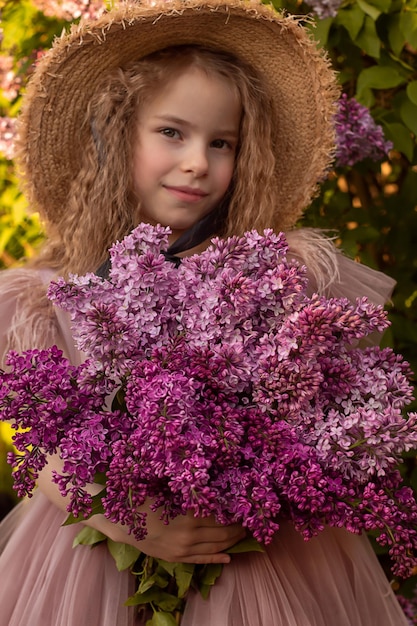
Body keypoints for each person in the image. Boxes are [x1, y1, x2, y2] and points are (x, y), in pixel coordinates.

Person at [0, 0, 409, 624]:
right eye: (172, 132)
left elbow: (309, 421)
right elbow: (40, 448)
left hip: (250, 559)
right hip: (96, 558)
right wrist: (133, 523)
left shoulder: (273, 279)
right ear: (116, 135)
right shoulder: (48, 296)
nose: (198, 162)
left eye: (221, 143)